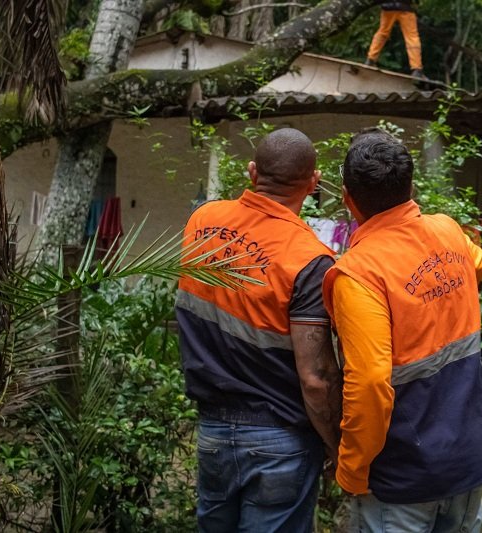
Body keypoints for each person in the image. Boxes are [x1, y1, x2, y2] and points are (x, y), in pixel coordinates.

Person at [322, 132, 482, 532]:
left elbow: (369, 384)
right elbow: (478, 264)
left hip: (403, 479)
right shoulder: (448, 232)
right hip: (467, 460)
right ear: (411, 186)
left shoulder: (359, 273)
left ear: (347, 198)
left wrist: (352, 469)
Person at [176, 128, 342, 532]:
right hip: (281, 438)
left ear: (252, 173)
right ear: (313, 182)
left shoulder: (203, 221)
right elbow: (316, 379)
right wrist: (339, 446)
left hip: (213, 429)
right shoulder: (310, 259)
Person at [365, 0, 425, 79]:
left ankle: (370, 60)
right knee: (412, 37)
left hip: (388, 7)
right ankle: (416, 69)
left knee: (382, 33)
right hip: (405, 7)